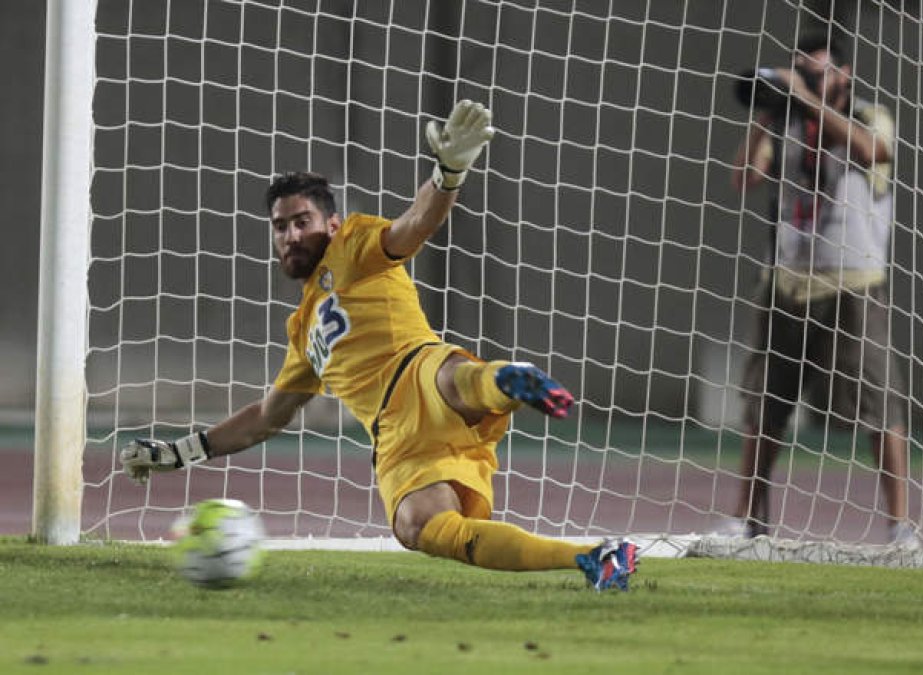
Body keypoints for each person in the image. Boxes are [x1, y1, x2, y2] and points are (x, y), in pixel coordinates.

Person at [120, 100, 638, 590]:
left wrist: (448, 173)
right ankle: (593, 557)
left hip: (418, 369)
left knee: (453, 376)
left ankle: (505, 381)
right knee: (420, 528)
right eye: (280, 226)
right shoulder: (302, 331)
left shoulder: (355, 246)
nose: (291, 235)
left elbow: (415, 226)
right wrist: (179, 452)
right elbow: (267, 416)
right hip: (395, 438)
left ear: (333, 224)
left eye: (303, 222)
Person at [729, 31, 917, 548]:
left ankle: (900, 526)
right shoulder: (786, 122)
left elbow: (870, 150)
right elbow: (744, 176)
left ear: (845, 74)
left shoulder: (868, 115)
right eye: (804, 70)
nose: (812, 79)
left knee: (879, 403)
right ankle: (743, 518)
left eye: (821, 70)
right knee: (765, 403)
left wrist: (806, 96)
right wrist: (767, 110)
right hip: (787, 277)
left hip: (853, 279)